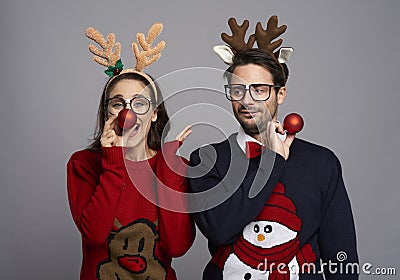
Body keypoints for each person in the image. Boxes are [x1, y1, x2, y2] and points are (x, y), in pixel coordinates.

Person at [188, 16, 358, 279]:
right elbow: (220, 229)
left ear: (281, 94)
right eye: (237, 90)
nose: (247, 100)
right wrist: (272, 160)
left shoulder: (321, 162)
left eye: (259, 90)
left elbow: (341, 254)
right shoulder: (206, 159)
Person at [67, 23, 195, 280]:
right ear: (107, 113)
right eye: (118, 103)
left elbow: (178, 246)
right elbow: (95, 235)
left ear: (155, 113)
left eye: (140, 102)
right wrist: (113, 162)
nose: (128, 113)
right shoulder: (83, 164)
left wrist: (168, 168)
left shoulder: (175, 165)